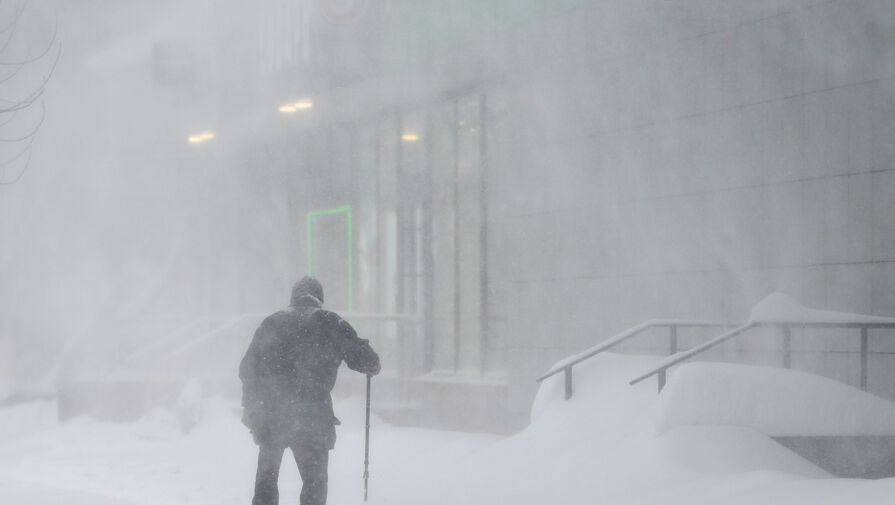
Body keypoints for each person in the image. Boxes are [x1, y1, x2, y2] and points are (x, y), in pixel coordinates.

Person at [239, 276, 381, 505]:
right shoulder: (329, 322)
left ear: (292, 299)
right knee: (314, 485)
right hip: (313, 418)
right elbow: (366, 361)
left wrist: (252, 406)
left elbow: (248, 369)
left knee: (266, 481)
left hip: (272, 416)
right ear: (320, 300)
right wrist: (370, 360)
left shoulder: (272, 323)